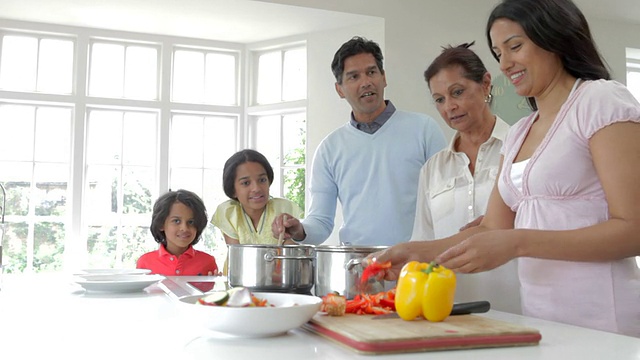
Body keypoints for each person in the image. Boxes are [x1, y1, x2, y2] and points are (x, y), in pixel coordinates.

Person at [369, 0, 640, 337]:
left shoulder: (601, 101)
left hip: (604, 323)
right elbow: (491, 228)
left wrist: (516, 243)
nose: (505, 63)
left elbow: (634, 229)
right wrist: (415, 252)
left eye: (515, 46)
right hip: (541, 322)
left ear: (554, 37)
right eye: (499, 53)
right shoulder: (521, 131)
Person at [272, 36, 447, 246]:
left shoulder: (424, 129)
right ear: (340, 89)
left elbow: (446, 204)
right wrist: (299, 230)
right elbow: (320, 221)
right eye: (354, 76)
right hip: (356, 268)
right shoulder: (330, 149)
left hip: (416, 267)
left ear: (384, 77)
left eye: (371, 72)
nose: (366, 82)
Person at [411, 42, 520, 313]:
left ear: (485, 84)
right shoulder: (432, 169)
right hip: (450, 313)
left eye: (457, 92)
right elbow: (423, 244)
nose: (450, 107)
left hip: (522, 310)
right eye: (439, 99)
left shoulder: (522, 148)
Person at [211, 149, 304, 246]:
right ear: (233, 190)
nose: (256, 188)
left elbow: (289, 254)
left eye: (262, 180)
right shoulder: (228, 212)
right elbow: (237, 255)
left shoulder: (285, 208)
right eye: (246, 183)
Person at [137, 189, 219, 276]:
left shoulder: (208, 262)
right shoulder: (145, 262)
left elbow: (212, 289)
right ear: (161, 224)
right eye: (176, 221)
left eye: (191, 222)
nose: (184, 228)